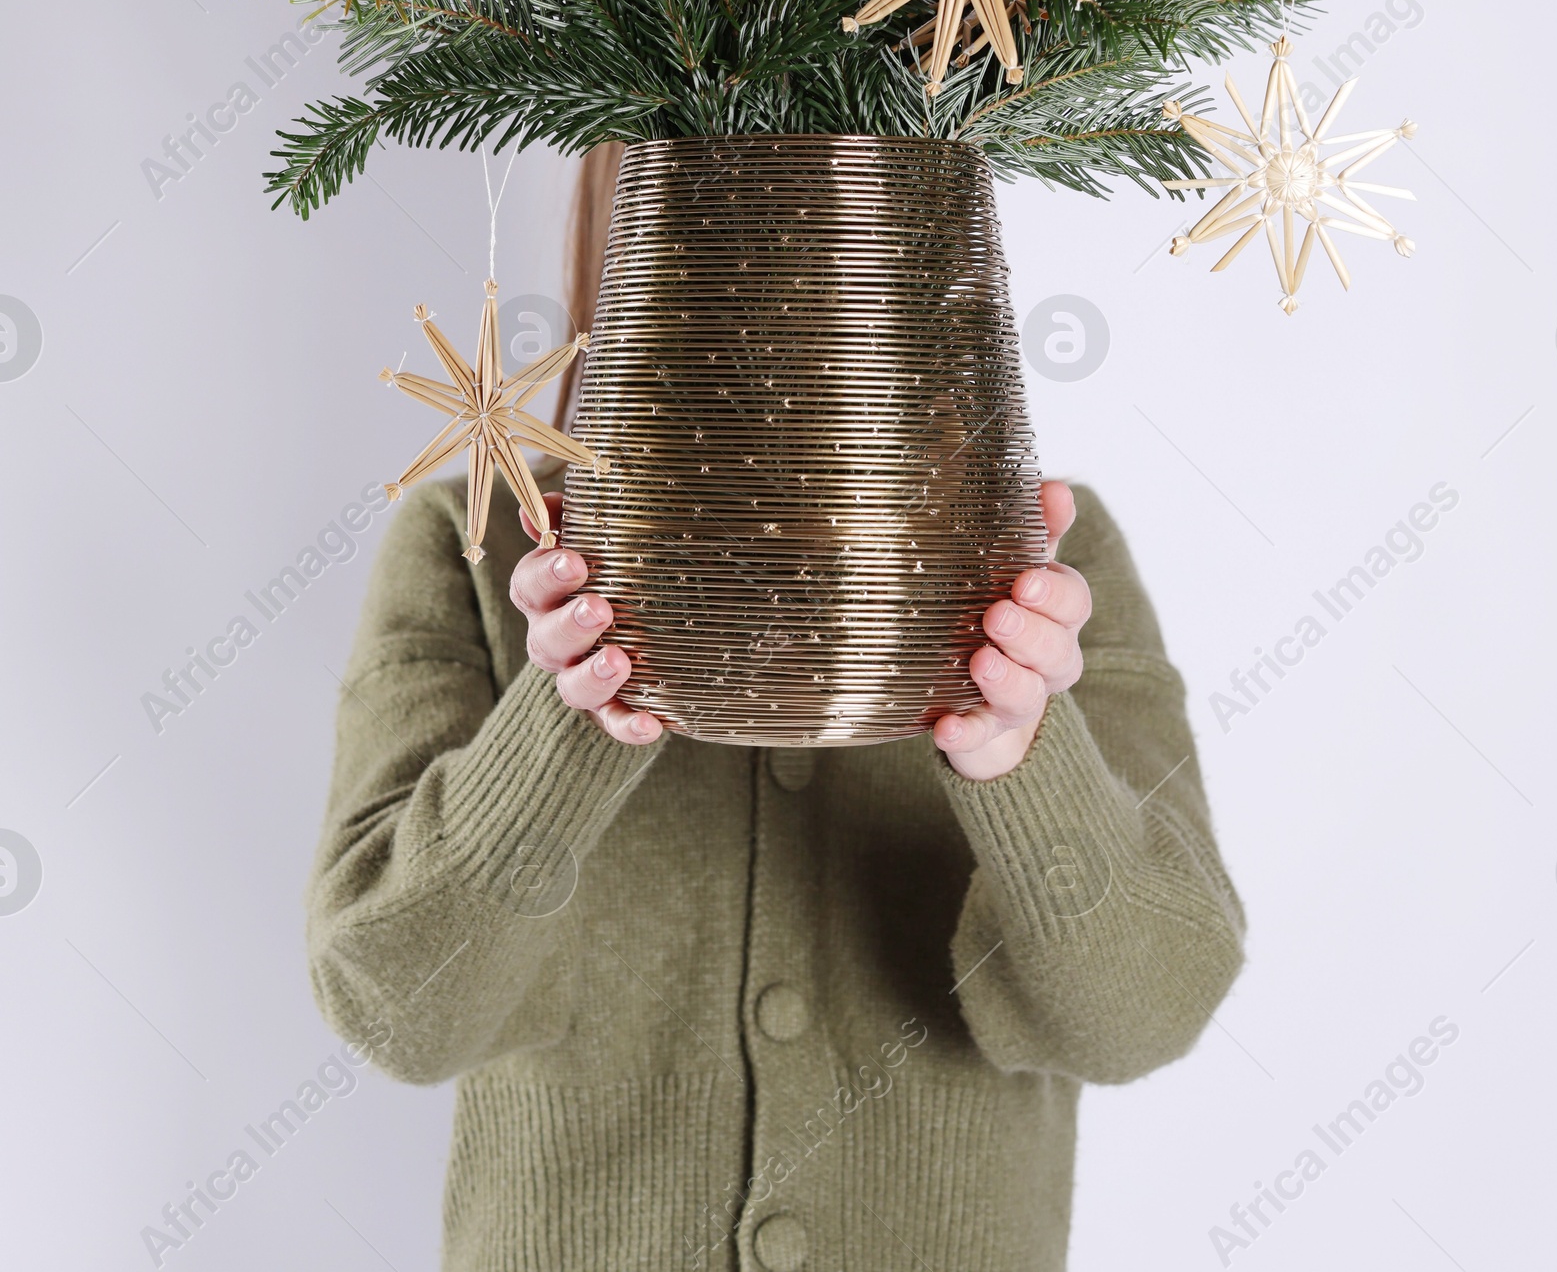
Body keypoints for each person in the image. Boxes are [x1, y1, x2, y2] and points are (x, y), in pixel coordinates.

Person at [309, 150, 1244, 1271]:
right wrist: (572, 713)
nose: (786, 252)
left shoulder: (1045, 566)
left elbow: (1147, 1011)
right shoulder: (472, 544)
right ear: (647, 224)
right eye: (730, 198)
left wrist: (1022, 756)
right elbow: (397, 1011)